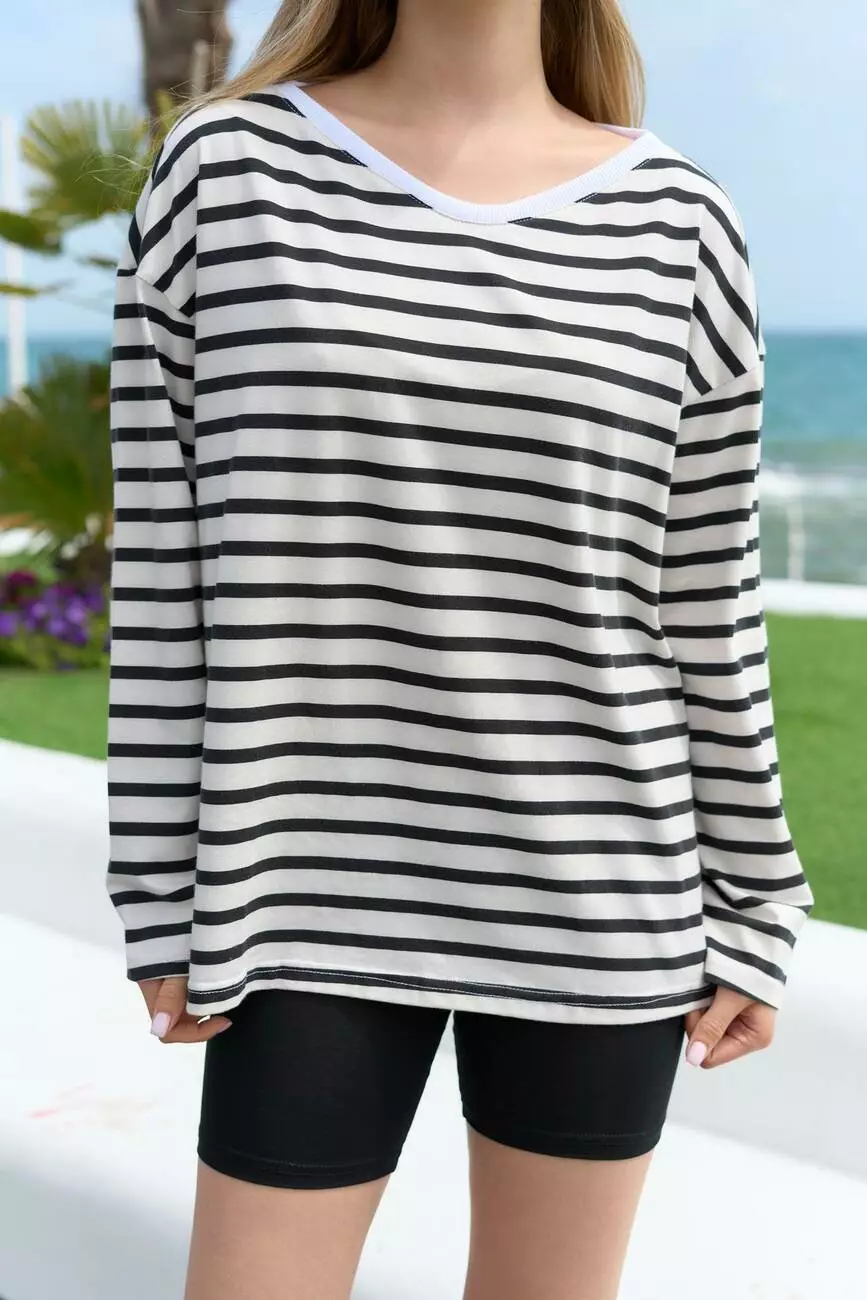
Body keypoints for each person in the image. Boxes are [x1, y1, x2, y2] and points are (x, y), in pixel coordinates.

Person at [105, 1, 815, 1297]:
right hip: (298, 895)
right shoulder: (224, 175)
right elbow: (164, 564)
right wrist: (157, 885)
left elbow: (706, 603)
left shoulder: (680, 224)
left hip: (601, 900)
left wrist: (755, 899)